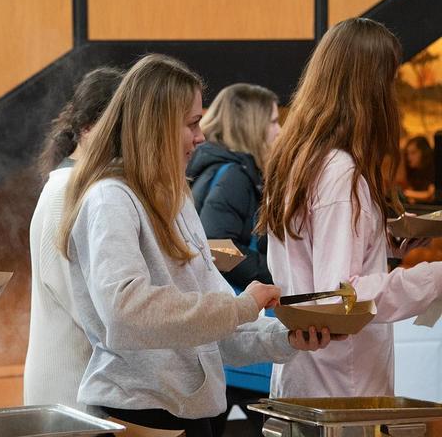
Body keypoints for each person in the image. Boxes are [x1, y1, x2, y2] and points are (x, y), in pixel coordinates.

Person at [58, 54, 340, 437]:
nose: (202, 136)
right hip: (138, 413)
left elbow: (212, 326)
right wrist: (241, 306)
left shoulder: (176, 199)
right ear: (155, 126)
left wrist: (285, 336)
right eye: (192, 123)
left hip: (189, 412)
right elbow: (125, 314)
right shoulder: (110, 199)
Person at [258, 17, 442, 399]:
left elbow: (316, 263)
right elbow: (340, 297)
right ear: (369, 89)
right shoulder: (339, 170)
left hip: (311, 374)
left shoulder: (302, 157)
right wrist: (434, 277)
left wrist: (382, 244)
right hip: (339, 382)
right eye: (389, 82)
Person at [24, 67, 124, 411]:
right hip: (70, 393)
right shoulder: (66, 192)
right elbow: (94, 311)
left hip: (89, 386)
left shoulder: (87, 188)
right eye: (123, 125)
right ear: (87, 128)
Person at [186, 83, 280, 435]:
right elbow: (215, 245)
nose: (280, 130)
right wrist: (269, 276)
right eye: (272, 121)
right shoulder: (235, 176)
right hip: (235, 328)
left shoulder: (225, 170)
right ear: (251, 125)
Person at [403, 136, 435, 204]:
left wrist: (406, 193)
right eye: (407, 153)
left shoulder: (434, 168)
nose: (409, 157)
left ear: (424, 152)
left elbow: (431, 194)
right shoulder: (413, 170)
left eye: (413, 153)